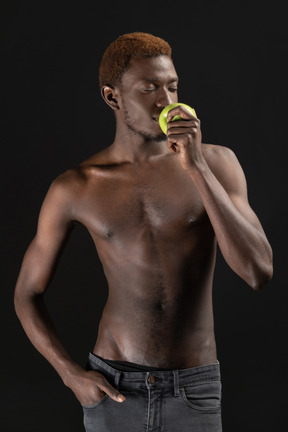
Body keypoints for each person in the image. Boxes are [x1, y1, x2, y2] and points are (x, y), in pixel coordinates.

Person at [14, 32, 273, 432]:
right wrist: (69, 374)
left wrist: (196, 167)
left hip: (194, 388)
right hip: (113, 388)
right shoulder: (77, 186)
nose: (167, 102)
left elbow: (258, 272)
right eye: (149, 88)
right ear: (112, 97)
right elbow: (27, 293)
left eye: (172, 86)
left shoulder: (218, 164)